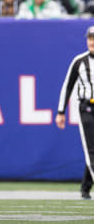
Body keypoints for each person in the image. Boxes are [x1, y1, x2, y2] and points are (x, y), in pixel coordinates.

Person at [56, 25, 94, 200]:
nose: (92, 41)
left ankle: (86, 187)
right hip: (87, 108)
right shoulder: (79, 61)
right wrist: (60, 111)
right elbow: (67, 86)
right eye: (90, 38)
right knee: (91, 149)